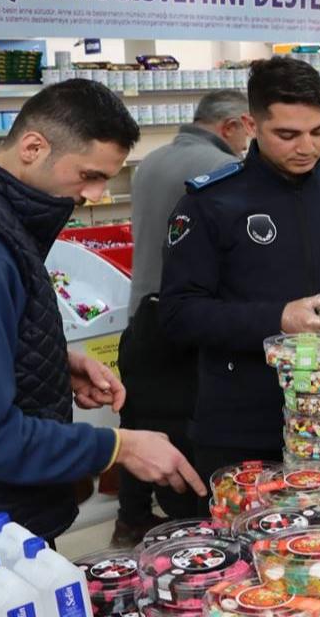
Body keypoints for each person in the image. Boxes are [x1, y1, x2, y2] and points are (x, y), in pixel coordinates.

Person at [0, 80, 204, 542]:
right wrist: (118, 447)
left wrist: (51, 362)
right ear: (32, 146)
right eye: (88, 175)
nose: (97, 194)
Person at [159, 57, 320, 485]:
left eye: (319, 131)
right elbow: (179, 313)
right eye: (287, 135)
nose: (307, 147)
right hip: (245, 419)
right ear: (251, 125)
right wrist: (278, 319)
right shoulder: (212, 203)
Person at [112, 89, 252, 546]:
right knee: (189, 425)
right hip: (187, 316)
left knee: (138, 419)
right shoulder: (220, 170)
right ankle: (194, 532)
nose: (247, 144)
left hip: (142, 315)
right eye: (249, 132)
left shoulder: (151, 160)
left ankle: (131, 518)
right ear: (231, 125)